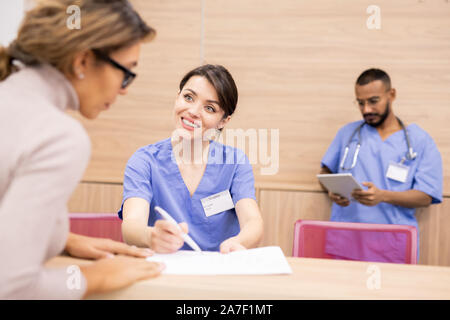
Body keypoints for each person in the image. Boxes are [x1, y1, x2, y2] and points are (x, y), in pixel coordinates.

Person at [0, 0, 164, 299]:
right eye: (125, 72)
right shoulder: (58, 136)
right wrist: (93, 278)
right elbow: (11, 288)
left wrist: (63, 239)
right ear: (82, 61)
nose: (124, 89)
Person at [120, 64, 264, 253]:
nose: (194, 111)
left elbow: (253, 221)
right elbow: (131, 224)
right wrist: (149, 236)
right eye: (188, 97)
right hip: (163, 271)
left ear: (223, 121)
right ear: (177, 97)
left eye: (210, 108)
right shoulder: (144, 161)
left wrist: (238, 243)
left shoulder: (235, 163)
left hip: (217, 273)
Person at [320, 68, 442, 258]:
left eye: (373, 101)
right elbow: (325, 171)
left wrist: (383, 196)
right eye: (360, 103)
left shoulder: (420, 141)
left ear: (391, 95)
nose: (366, 109)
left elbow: (426, 196)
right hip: (346, 242)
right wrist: (332, 190)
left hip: (391, 246)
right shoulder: (347, 134)